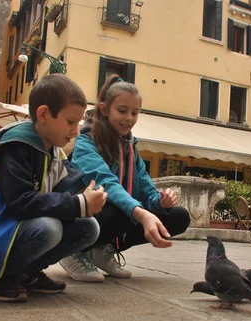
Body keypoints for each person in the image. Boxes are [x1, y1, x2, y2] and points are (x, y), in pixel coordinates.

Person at [0, 74, 107, 302]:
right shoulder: (16, 147)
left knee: (89, 227)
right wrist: (79, 203)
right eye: (70, 122)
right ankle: (2, 278)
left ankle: (28, 273)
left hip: (16, 226)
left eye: (77, 124)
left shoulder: (53, 152)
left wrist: (88, 197)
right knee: (50, 228)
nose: (75, 131)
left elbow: (64, 190)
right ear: (44, 114)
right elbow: (21, 203)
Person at [64, 75, 190, 282]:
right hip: (79, 217)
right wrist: (141, 214)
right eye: (122, 110)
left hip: (115, 213)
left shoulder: (131, 149)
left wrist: (160, 201)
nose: (129, 118)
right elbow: (107, 184)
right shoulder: (86, 143)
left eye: (135, 112)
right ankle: (73, 250)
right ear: (104, 110)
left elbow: (146, 187)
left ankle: (102, 249)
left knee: (178, 216)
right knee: (120, 211)